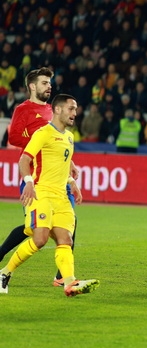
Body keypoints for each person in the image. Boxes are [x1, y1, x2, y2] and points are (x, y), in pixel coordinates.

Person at [0, 94, 99, 297]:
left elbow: (61, 167)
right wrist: (28, 183)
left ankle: (70, 283)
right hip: (42, 193)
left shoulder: (69, 137)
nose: (75, 113)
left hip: (61, 196)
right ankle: (4, 273)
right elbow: (24, 160)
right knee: (40, 239)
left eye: (76, 108)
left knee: (66, 240)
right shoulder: (43, 133)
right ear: (58, 110)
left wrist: (73, 183)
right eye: (71, 108)